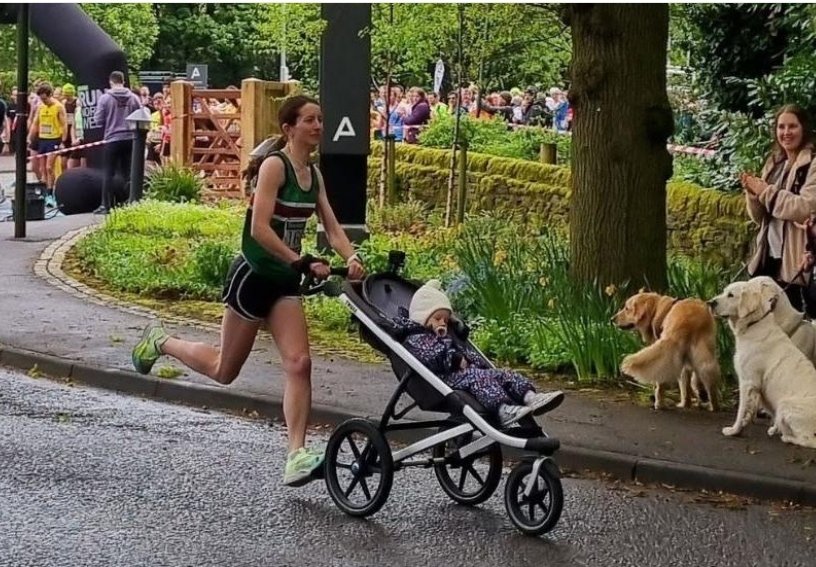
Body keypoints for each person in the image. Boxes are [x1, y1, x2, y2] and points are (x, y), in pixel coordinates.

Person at [131, 95, 366, 487]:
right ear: (289, 129)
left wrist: (352, 256)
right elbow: (259, 229)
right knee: (225, 370)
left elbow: (333, 227)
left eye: (321, 120)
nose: (318, 126)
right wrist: (298, 259)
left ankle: (296, 454)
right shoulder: (276, 167)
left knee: (300, 363)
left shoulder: (316, 175)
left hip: (284, 283)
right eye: (310, 120)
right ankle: (161, 341)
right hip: (254, 275)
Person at [396, 280, 564, 427]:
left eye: (446, 320)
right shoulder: (417, 338)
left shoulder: (446, 336)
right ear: (422, 317)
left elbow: (465, 352)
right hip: (442, 379)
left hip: (464, 374)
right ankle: (503, 410)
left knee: (504, 374)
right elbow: (431, 356)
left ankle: (531, 398)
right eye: (438, 318)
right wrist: (455, 359)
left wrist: (475, 361)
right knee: (481, 378)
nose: (443, 323)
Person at [744, 104, 816, 316]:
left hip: (797, 266)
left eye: (792, 126)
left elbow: (804, 208)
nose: (786, 133)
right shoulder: (774, 163)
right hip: (768, 259)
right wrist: (753, 195)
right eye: (781, 127)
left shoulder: (812, 164)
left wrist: (765, 191)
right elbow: (761, 219)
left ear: (804, 128)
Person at [93, 70, 141, 214]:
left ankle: (106, 205)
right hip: (130, 139)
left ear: (111, 82)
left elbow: (98, 120)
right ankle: (130, 203)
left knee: (108, 173)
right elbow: (141, 115)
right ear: (123, 81)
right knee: (128, 172)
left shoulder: (105, 98)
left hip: (112, 139)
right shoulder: (134, 98)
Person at [27, 83, 66, 195]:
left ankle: (50, 192)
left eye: (45, 98)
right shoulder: (41, 107)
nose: (43, 101)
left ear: (50, 95)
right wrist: (30, 137)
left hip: (54, 139)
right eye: (41, 99)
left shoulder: (58, 107)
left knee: (50, 167)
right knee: (42, 168)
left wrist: (62, 141)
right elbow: (35, 123)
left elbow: (64, 125)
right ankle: (45, 190)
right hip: (42, 139)